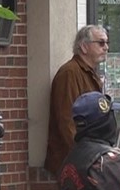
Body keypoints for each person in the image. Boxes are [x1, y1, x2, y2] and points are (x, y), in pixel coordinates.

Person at [46, 25, 108, 178]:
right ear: (84, 47)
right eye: (101, 43)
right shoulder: (70, 73)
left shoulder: (88, 73)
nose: (106, 47)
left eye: (107, 43)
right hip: (75, 165)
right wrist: (84, 157)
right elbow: (67, 120)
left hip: (89, 159)